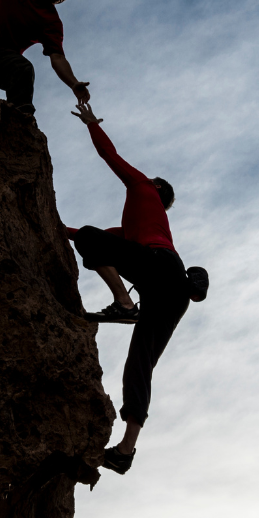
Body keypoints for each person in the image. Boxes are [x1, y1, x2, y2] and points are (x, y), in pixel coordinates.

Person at [64, 102, 204, 475]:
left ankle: (124, 303)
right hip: (173, 292)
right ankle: (126, 450)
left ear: (156, 188)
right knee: (139, 366)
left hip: (157, 269)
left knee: (94, 239)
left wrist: (93, 123)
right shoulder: (136, 230)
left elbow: (111, 156)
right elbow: (84, 236)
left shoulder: (143, 187)